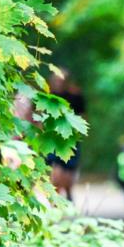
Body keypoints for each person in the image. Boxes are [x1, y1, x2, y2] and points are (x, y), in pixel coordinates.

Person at [46, 69, 84, 201]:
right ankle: (56, 199)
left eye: (62, 80)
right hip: (52, 139)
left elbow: (82, 117)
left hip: (70, 138)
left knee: (68, 170)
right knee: (54, 169)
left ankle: (67, 192)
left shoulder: (75, 96)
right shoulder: (47, 96)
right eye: (57, 80)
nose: (59, 82)